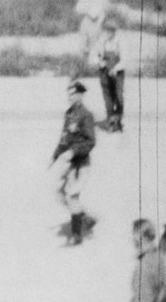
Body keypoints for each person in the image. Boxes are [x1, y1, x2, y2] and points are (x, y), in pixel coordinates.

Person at [51, 82, 96, 245]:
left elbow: (91, 142)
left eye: (72, 94)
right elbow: (64, 138)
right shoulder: (69, 113)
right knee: (59, 193)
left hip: (81, 164)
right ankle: (86, 218)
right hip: (69, 163)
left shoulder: (87, 115)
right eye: (68, 94)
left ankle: (76, 236)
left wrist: (74, 151)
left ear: (80, 95)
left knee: (72, 197)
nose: (69, 97)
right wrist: (55, 154)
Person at [93, 19, 126, 132]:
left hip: (117, 73)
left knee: (119, 96)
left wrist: (115, 69)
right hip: (104, 72)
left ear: (114, 32)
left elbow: (125, 60)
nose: (107, 34)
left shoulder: (120, 42)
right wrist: (99, 62)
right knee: (107, 96)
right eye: (106, 31)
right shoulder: (101, 42)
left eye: (110, 31)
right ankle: (110, 119)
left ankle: (118, 119)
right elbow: (93, 57)